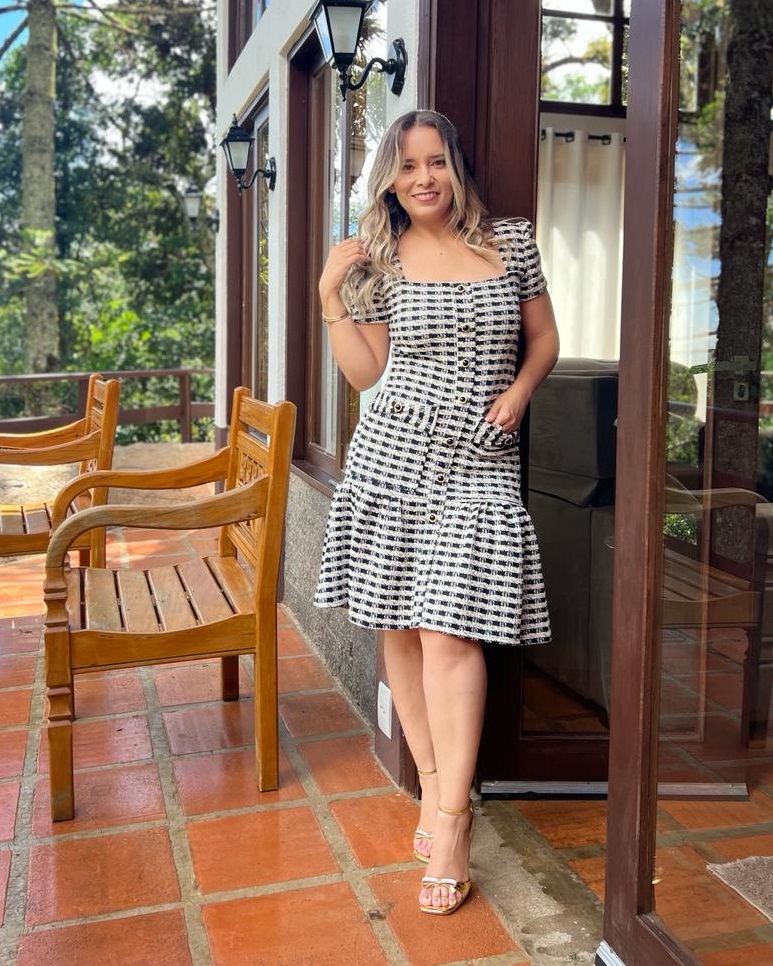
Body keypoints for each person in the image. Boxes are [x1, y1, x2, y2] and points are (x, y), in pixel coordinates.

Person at [314, 109, 559, 916]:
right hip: (392, 456)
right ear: (389, 178)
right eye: (408, 165)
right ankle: (432, 786)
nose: (424, 178)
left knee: (451, 633)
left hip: (479, 462)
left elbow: (543, 340)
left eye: (437, 162)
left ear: (456, 167)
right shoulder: (377, 259)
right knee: (400, 625)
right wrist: (328, 295)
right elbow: (365, 375)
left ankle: (453, 821)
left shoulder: (510, 243)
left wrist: (518, 394)